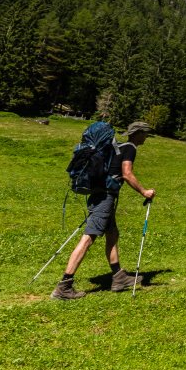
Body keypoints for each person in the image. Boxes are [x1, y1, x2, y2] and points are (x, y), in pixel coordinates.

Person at [51, 121, 156, 300]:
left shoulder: (117, 146)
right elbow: (127, 173)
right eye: (145, 134)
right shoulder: (129, 147)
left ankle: (118, 277)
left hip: (98, 195)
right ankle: (64, 286)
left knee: (112, 234)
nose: (146, 137)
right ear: (137, 133)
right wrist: (144, 192)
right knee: (88, 238)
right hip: (105, 198)